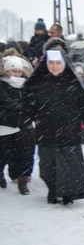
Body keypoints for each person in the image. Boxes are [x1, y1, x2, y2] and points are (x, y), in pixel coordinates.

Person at [24, 40, 84, 205]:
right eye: (51, 63)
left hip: (68, 130)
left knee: (69, 165)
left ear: (64, 64)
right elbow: (28, 104)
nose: (54, 66)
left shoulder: (72, 82)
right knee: (48, 165)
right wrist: (26, 120)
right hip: (45, 130)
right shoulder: (37, 84)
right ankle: (53, 190)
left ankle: (69, 193)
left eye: (58, 63)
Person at [0, 55, 34, 194]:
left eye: (19, 71)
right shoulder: (2, 84)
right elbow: (6, 101)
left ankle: (23, 181)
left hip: (24, 125)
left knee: (25, 155)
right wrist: (22, 107)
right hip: (5, 126)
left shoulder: (26, 84)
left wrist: (27, 109)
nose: (17, 74)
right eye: (13, 71)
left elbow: (31, 100)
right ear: (7, 71)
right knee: (3, 154)